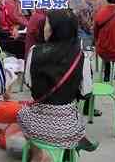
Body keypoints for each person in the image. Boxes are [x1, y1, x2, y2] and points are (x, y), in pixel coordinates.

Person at [18, 9, 98, 153]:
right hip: (67, 130)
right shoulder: (82, 57)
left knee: (21, 114)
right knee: (78, 122)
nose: (45, 28)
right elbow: (86, 92)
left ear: (56, 30)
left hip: (35, 126)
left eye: (48, 24)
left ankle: (37, 154)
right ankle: (77, 143)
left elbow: (28, 83)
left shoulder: (34, 51)